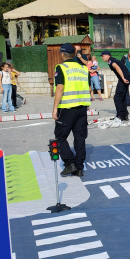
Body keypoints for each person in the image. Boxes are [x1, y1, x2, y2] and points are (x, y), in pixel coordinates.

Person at [52, 43, 92, 177]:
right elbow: (87, 86)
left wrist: (55, 108)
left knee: (60, 137)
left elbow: (60, 88)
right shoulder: (83, 68)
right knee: (80, 138)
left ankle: (70, 163)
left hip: (68, 107)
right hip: (82, 108)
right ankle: (79, 168)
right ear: (74, 54)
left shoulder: (61, 67)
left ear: (63, 54)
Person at [101, 50, 130, 122]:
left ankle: (120, 115)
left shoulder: (111, 61)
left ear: (107, 55)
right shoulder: (113, 59)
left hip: (124, 78)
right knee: (122, 97)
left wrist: (123, 78)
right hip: (127, 77)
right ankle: (124, 115)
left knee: (117, 98)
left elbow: (117, 68)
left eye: (102, 56)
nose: (102, 58)